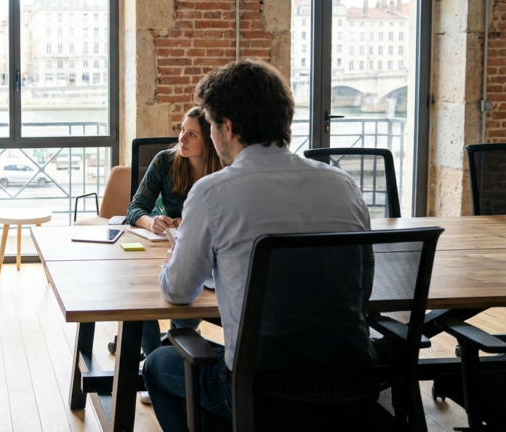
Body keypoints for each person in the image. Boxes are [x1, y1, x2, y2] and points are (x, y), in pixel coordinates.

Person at [142, 61, 371, 430]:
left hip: (260, 390)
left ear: (229, 127)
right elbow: (363, 288)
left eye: (211, 125)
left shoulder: (212, 192)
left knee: (156, 365)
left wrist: (174, 259)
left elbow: (179, 292)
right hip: (352, 384)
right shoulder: (344, 185)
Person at [125, 108, 223, 404]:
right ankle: (154, 360)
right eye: (181, 130)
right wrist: (151, 222)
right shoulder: (165, 161)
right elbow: (135, 209)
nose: (181, 138)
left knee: (191, 293)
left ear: (209, 139)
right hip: (161, 244)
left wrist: (190, 222)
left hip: (201, 247)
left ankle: (173, 357)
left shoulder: (223, 170)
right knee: (140, 295)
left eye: (192, 134)